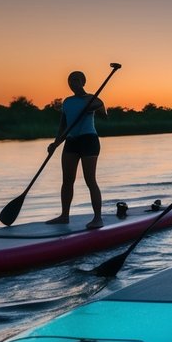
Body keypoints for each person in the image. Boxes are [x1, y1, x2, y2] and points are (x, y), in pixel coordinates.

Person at [46, 70, 107, 229]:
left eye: (75, 79)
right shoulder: (67, 102)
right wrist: (55, 143)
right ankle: (64, 216)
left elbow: (104, 116)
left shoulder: (93, 99)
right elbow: (63, 126)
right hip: (71, 142)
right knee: (67, 180)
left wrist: (94, 106)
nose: (72, 83)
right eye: (70, 80)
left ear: (83, 81)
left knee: (90, 180)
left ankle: (98, 218)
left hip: (89, 140)